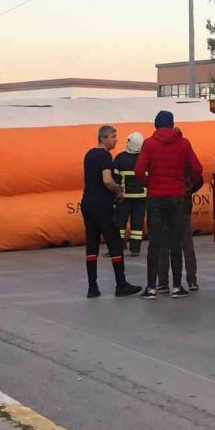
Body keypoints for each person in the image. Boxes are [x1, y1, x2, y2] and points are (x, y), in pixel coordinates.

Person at [135, 110, 203, 300]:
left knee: (155, 243)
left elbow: (139, 170)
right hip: (177, 198)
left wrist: (150, 183)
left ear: (156, 125)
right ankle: (177, 286)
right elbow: (197, 168)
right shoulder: (184, 143)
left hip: (156, 198)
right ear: (173, 124)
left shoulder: (149, 144)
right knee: (176, 242)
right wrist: (185, 183)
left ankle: (151, 287)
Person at [81, 125, 141, 299]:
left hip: (87, 203)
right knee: (115, 243)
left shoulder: (89, 155)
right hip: (102, 205)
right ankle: (121, 284)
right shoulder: (105, 155)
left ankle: (92, 287)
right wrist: (118, 192)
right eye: (113, 137)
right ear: (104, 138)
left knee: (91, 244)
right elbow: (107, 180)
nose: (116, 140)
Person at [158, 165, 204, 293]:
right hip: (183, 203)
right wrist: (188, 189)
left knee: (164, 245)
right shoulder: (184, 152)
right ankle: (192, 281)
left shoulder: (158, 152)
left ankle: (163, 283)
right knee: (186, 243)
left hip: (164, 202)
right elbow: (199, 176)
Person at [113, 131, 146, 256]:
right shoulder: (145, 158)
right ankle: (135, 250)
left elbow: (114, 177)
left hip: (124, 197)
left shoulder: (120, 158)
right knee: (137, 224)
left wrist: (116, 193)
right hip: (141, 197)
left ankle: (119, 246)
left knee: (120, 223)